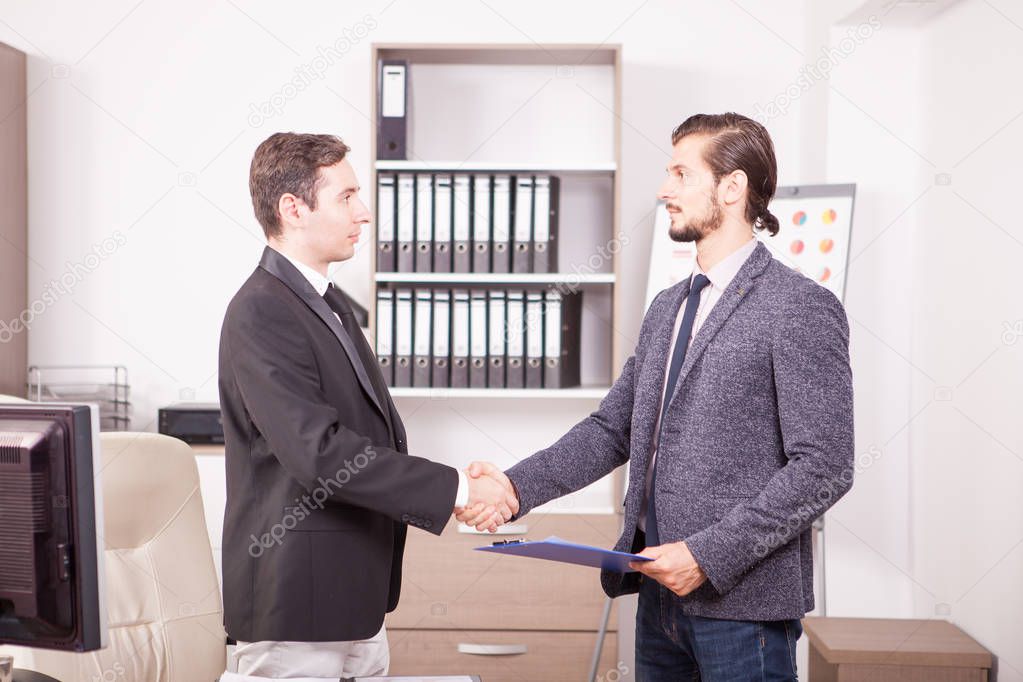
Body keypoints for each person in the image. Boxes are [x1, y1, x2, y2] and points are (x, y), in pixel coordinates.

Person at [462, 113, 854, 681]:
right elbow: (612, 429)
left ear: (732, 187)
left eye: (680, 173)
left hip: (740, 608)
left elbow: (824, 467)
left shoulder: (798, 307)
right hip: (658, 594)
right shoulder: (668, 308)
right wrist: (514, 487)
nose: (664, 189)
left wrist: (707, 555)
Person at [218, 132, 517, 678]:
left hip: (356, 601)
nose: (365, 211)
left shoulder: (329, 305)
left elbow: (370, 439)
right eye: (347, 197)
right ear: (293, 208)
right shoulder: (260, 310)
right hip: (297, 613)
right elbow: (321, 455)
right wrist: (460, 488)